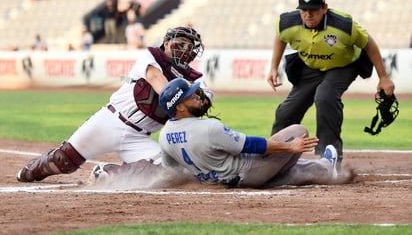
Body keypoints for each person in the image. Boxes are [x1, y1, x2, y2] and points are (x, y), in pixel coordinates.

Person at [16, 26, 214, 183]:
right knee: (63, 161)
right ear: (167, 43)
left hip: (138, 137)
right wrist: (184, 93)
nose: (185, 50)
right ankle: (29, 172)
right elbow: (157, 80)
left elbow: (205, 98)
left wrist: (199, 97)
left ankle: (108, 174)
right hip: (110, 120)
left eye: (190, 48)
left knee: (170, 170)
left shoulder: (195, 78)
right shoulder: (152, 56)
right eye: (181, 44)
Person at [266, 0, 395, 170]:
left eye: (314, 10)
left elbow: (369, 44)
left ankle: (328, 160)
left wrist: (384, 78)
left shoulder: (344, 25)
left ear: (325, 7)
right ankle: (274, 157)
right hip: (311, 66)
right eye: (304, 10)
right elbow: (281, 38)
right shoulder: (287, 22)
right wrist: (273, 67)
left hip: (344, 65)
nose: (308, 15)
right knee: (287, 111)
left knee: (325, 96)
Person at [157, 78, 341, 188]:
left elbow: (172, 171)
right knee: (298, 131)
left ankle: (321, 169)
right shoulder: (208, 128)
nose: (196, 95)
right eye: (189, 95)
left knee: (283, 169)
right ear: (179, 106)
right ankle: (325, 169)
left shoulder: (164, 135)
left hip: (219, 182)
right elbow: (253, 145)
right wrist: (288, 147)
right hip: (247, 173)